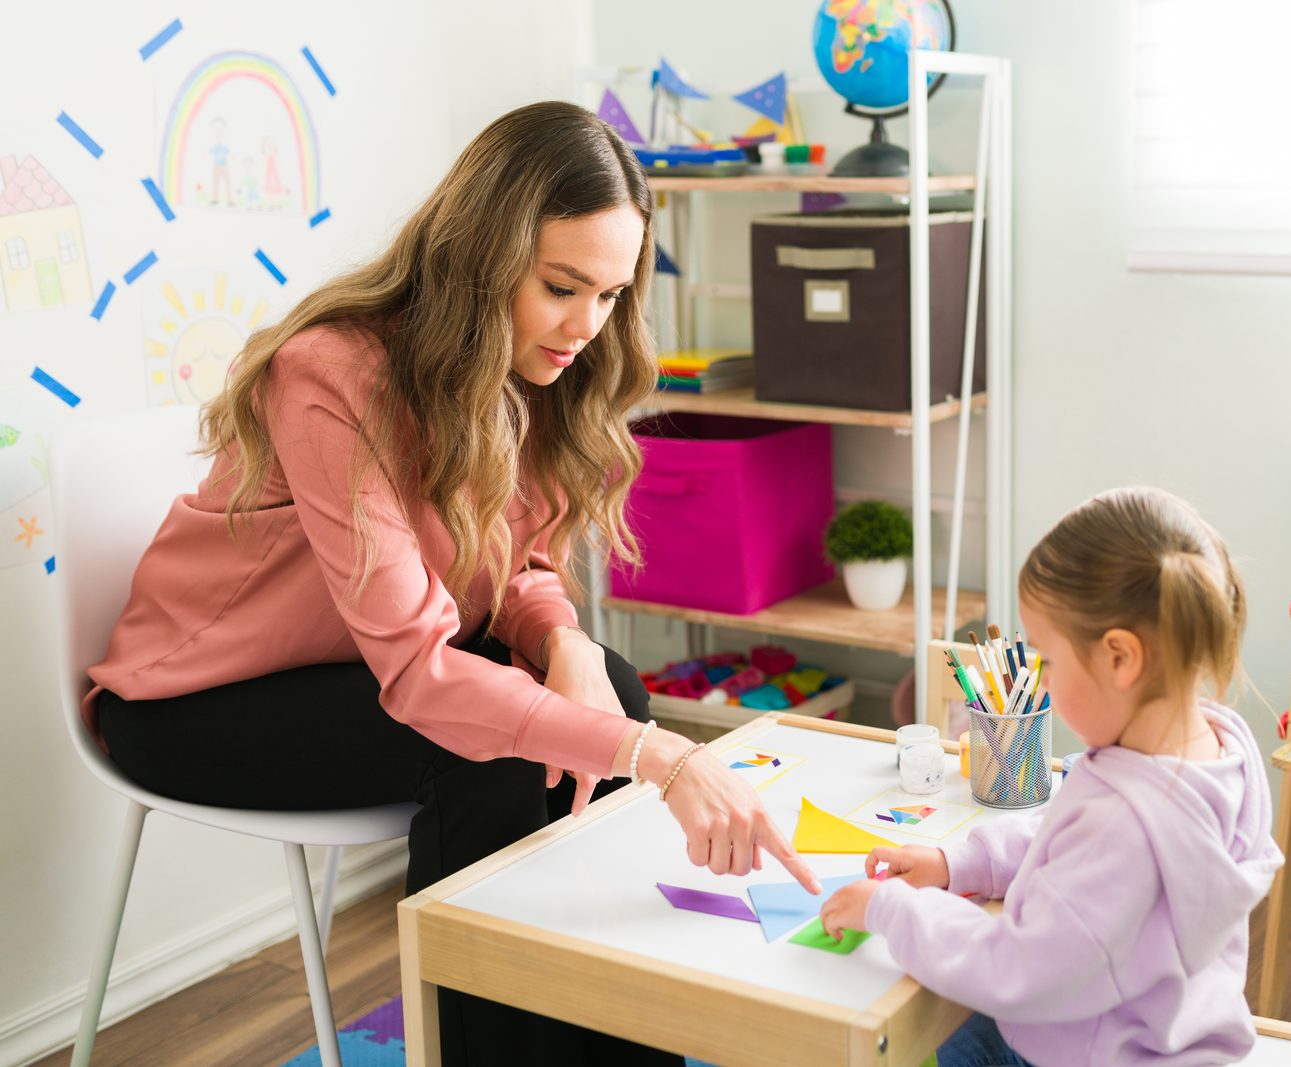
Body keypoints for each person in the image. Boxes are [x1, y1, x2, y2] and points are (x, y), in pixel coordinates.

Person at [86, 101, 818, 1066]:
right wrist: (667, 759)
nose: (586, 328)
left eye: (607, 296)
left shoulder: (524, 369)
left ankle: (600, 1032)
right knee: (496, 748)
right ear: (481, 255)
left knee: (610, 689)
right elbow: (424, 676)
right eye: (562, 287)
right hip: (197, 700)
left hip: (358, 657)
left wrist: (564, 644)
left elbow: (514, 560)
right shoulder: (329, 374)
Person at [819, 487, 1283, 1066]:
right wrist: (960, 864)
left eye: (1047, 659)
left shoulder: (1127, 826)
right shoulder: (1214, 750)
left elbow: (1015, 970)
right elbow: (1066, 837)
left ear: (1121, 657)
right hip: (1158, 1034)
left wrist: (887, 909)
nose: (1038, 679)